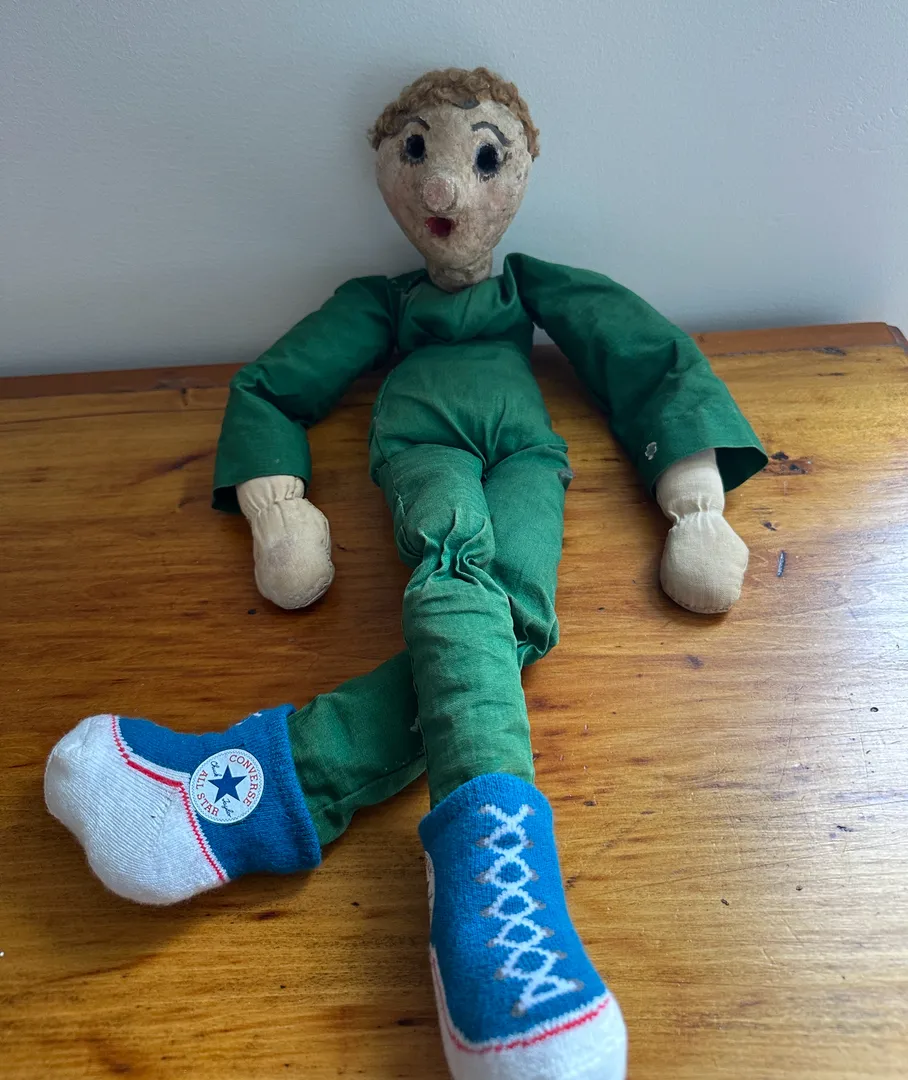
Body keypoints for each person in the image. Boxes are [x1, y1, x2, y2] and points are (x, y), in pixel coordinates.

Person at [45, 68, 766, 1080]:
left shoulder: (534, 288)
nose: (445, 186)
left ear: (521, 166)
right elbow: (275, 383)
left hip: (529, 453)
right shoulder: (381, 303)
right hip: (422, 441)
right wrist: (277, 502)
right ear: (388, 164)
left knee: (515, 618)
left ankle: (242, 795)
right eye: (418, 152)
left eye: (484, 155)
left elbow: (646, 355)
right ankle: (497, 910)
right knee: (455, 570)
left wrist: (693, 500)